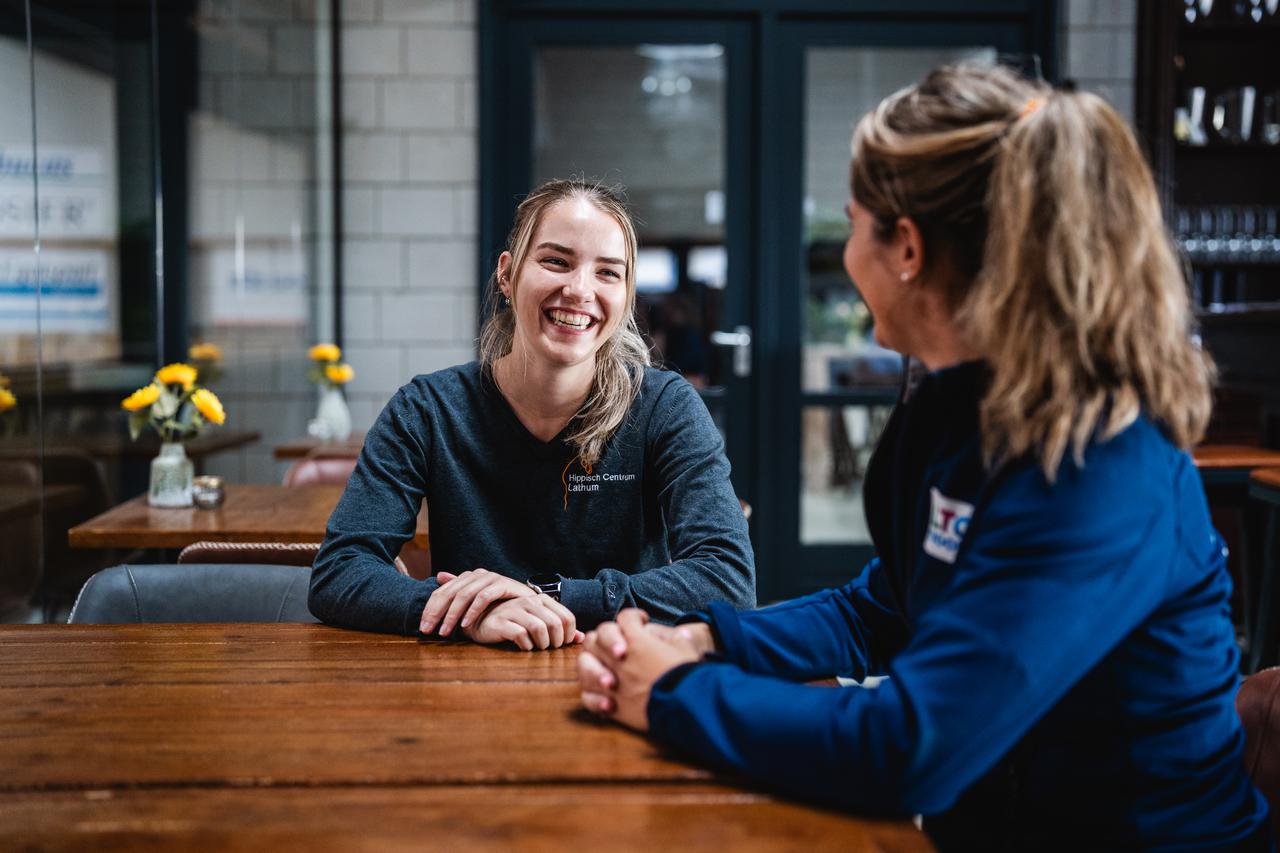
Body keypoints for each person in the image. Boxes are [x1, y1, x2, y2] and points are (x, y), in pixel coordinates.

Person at [576, 65, 1271, 850]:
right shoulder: (969, 411)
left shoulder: (1102, 466)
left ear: (905, 247)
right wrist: (706, 640)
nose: (843, 256)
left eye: (852, 225)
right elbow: (886, 607)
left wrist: (671, 693)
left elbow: (912, 748)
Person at [309, 179, 755, 651]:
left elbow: (727, 579)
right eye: (556, 262)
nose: (579, 289)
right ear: (507, 274)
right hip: (469, 682)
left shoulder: (665, 407)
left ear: (626, 296)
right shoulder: (427, 410)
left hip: (622, 671)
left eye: (608, 273)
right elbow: (340, 571)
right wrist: (468, 612)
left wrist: (547, 596)